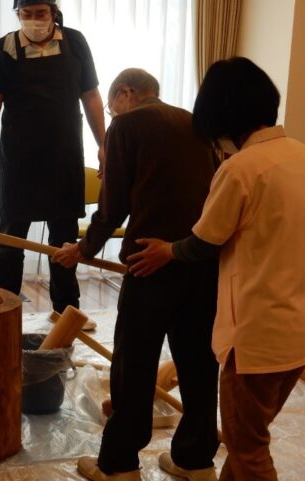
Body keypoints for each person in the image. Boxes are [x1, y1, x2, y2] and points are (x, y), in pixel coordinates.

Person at [126, 57, 305, 481]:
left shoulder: (240, 169)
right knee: (247, 437)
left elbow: (204, 240)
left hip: (260, 333)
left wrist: (166, 251)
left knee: (249, 448)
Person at [53, 68, 220, 481]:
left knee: (134, 364)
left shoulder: (127, 125)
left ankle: (119, 464)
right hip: (200, 260)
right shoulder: (196, 123)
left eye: (111, 108)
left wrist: (83, 249)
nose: (112, 117)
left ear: (125, 94)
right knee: (199, 362)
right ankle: (195, 459)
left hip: (150, 263)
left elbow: (113, 206)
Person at [0, 0, 106, 314]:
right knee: (10, 239)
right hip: (20, 158)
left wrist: (105, 144)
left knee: (63, 239)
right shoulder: (4, 48)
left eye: (40, 14)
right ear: (18, 15)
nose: (34, 20)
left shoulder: (74, 43)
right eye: (27, 14)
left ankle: (66, 310)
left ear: (54, 13)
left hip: (64, 155)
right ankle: (1, 310)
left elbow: (90, 96)